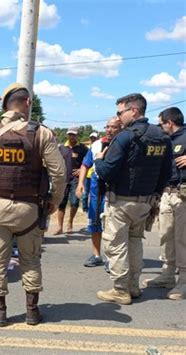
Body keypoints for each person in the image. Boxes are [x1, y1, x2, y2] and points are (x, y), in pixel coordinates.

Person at [0, 83, 66, 327]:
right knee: (30, 260)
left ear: (5, 105)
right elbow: (58, 174)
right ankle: (31, 312)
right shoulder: (41, 133)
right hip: (30, 209)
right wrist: (54, 201)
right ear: (27, 102)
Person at [95, 93, 172, 305]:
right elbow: (167, 172)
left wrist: (98, 161)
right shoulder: (162, 136)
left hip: (121, 201)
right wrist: (154, 196)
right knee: (135, 242)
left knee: (116, 245)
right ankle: (133, 286)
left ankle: (120, 289)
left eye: (120, 112)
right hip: (146, 202)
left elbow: (107, 171)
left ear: (134, 111)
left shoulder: (125, 136)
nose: (118, 117)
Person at [143, 107, 186, 300]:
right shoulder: (166, 141)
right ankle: (168, 274)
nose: (160, 128)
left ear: (169, 122)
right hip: (167, 193)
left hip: (183, 194)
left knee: (182, 239)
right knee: (166, 235)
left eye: (161, 124)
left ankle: (184, 281)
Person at [76, 117, 122, 267]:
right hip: (97, 190)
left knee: (113, 227)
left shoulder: (124, 143)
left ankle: (112, 259)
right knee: (95, 225)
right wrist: (80, 184)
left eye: (113, 127)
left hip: (116, 190)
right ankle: (97, 255)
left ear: (120, 128)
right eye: (107, 126)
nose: (109, 130)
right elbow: (85, 164)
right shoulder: (96, 145)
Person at [54, 127, 88, 234]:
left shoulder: (83, 148)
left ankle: (70, 222)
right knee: (61, 203)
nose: (71, 136)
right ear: (67, 135)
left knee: (74, 202)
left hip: (76, 180)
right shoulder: (61, 148)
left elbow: (89, 162)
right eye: (70, 134)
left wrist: (81, 170)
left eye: (74, 134)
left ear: (77, 135)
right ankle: (60, 227)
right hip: (63, 179)